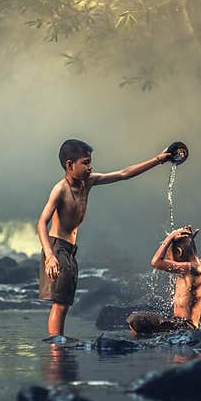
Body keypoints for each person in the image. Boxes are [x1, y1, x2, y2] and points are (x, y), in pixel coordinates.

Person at [37, 139, 174, 336]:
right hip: (56, 248)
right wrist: (50, 256)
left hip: (69, 249)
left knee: (64, 303)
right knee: (59, 305)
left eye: (90, 162)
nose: (89, 167)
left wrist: (158, 160)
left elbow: (124, 173)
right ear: (69, 165)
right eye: (85, 162)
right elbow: (42, 222)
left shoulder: (88, 181)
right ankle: (55, 350)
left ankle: (58, 346)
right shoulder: (60, 190)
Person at [127, 225, 201, 336]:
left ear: (179, 253)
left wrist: (171, 236)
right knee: (137, 319)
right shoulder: (196, 265)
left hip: (186, 326)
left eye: (169, 257)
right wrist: (189, 241)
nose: (169, 260)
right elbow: (189, 251)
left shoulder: (193, 268)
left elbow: (156, 262)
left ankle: (140, 344)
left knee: (135, 319)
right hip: (178, 322)